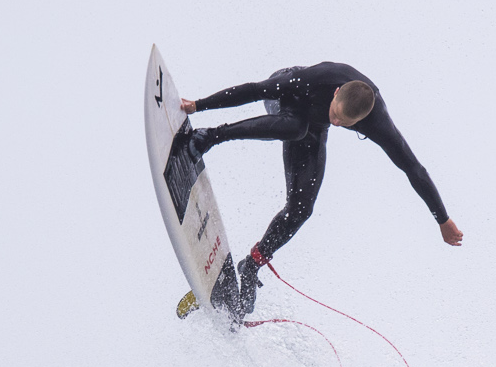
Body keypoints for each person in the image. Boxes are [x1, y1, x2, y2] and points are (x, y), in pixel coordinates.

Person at [180, 62, 461, 318]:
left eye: (345, 123)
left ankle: (252, 265)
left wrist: (443, 219)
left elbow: (413, 168)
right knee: (296, 126)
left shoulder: (377, 122)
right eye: (336, 114)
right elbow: (254, 90)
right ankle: (209, 137)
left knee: (301, 209)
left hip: (312, 126)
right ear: (336, 93)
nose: (337, 123)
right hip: (288, 99)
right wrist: (198, 105)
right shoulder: (314, 80)